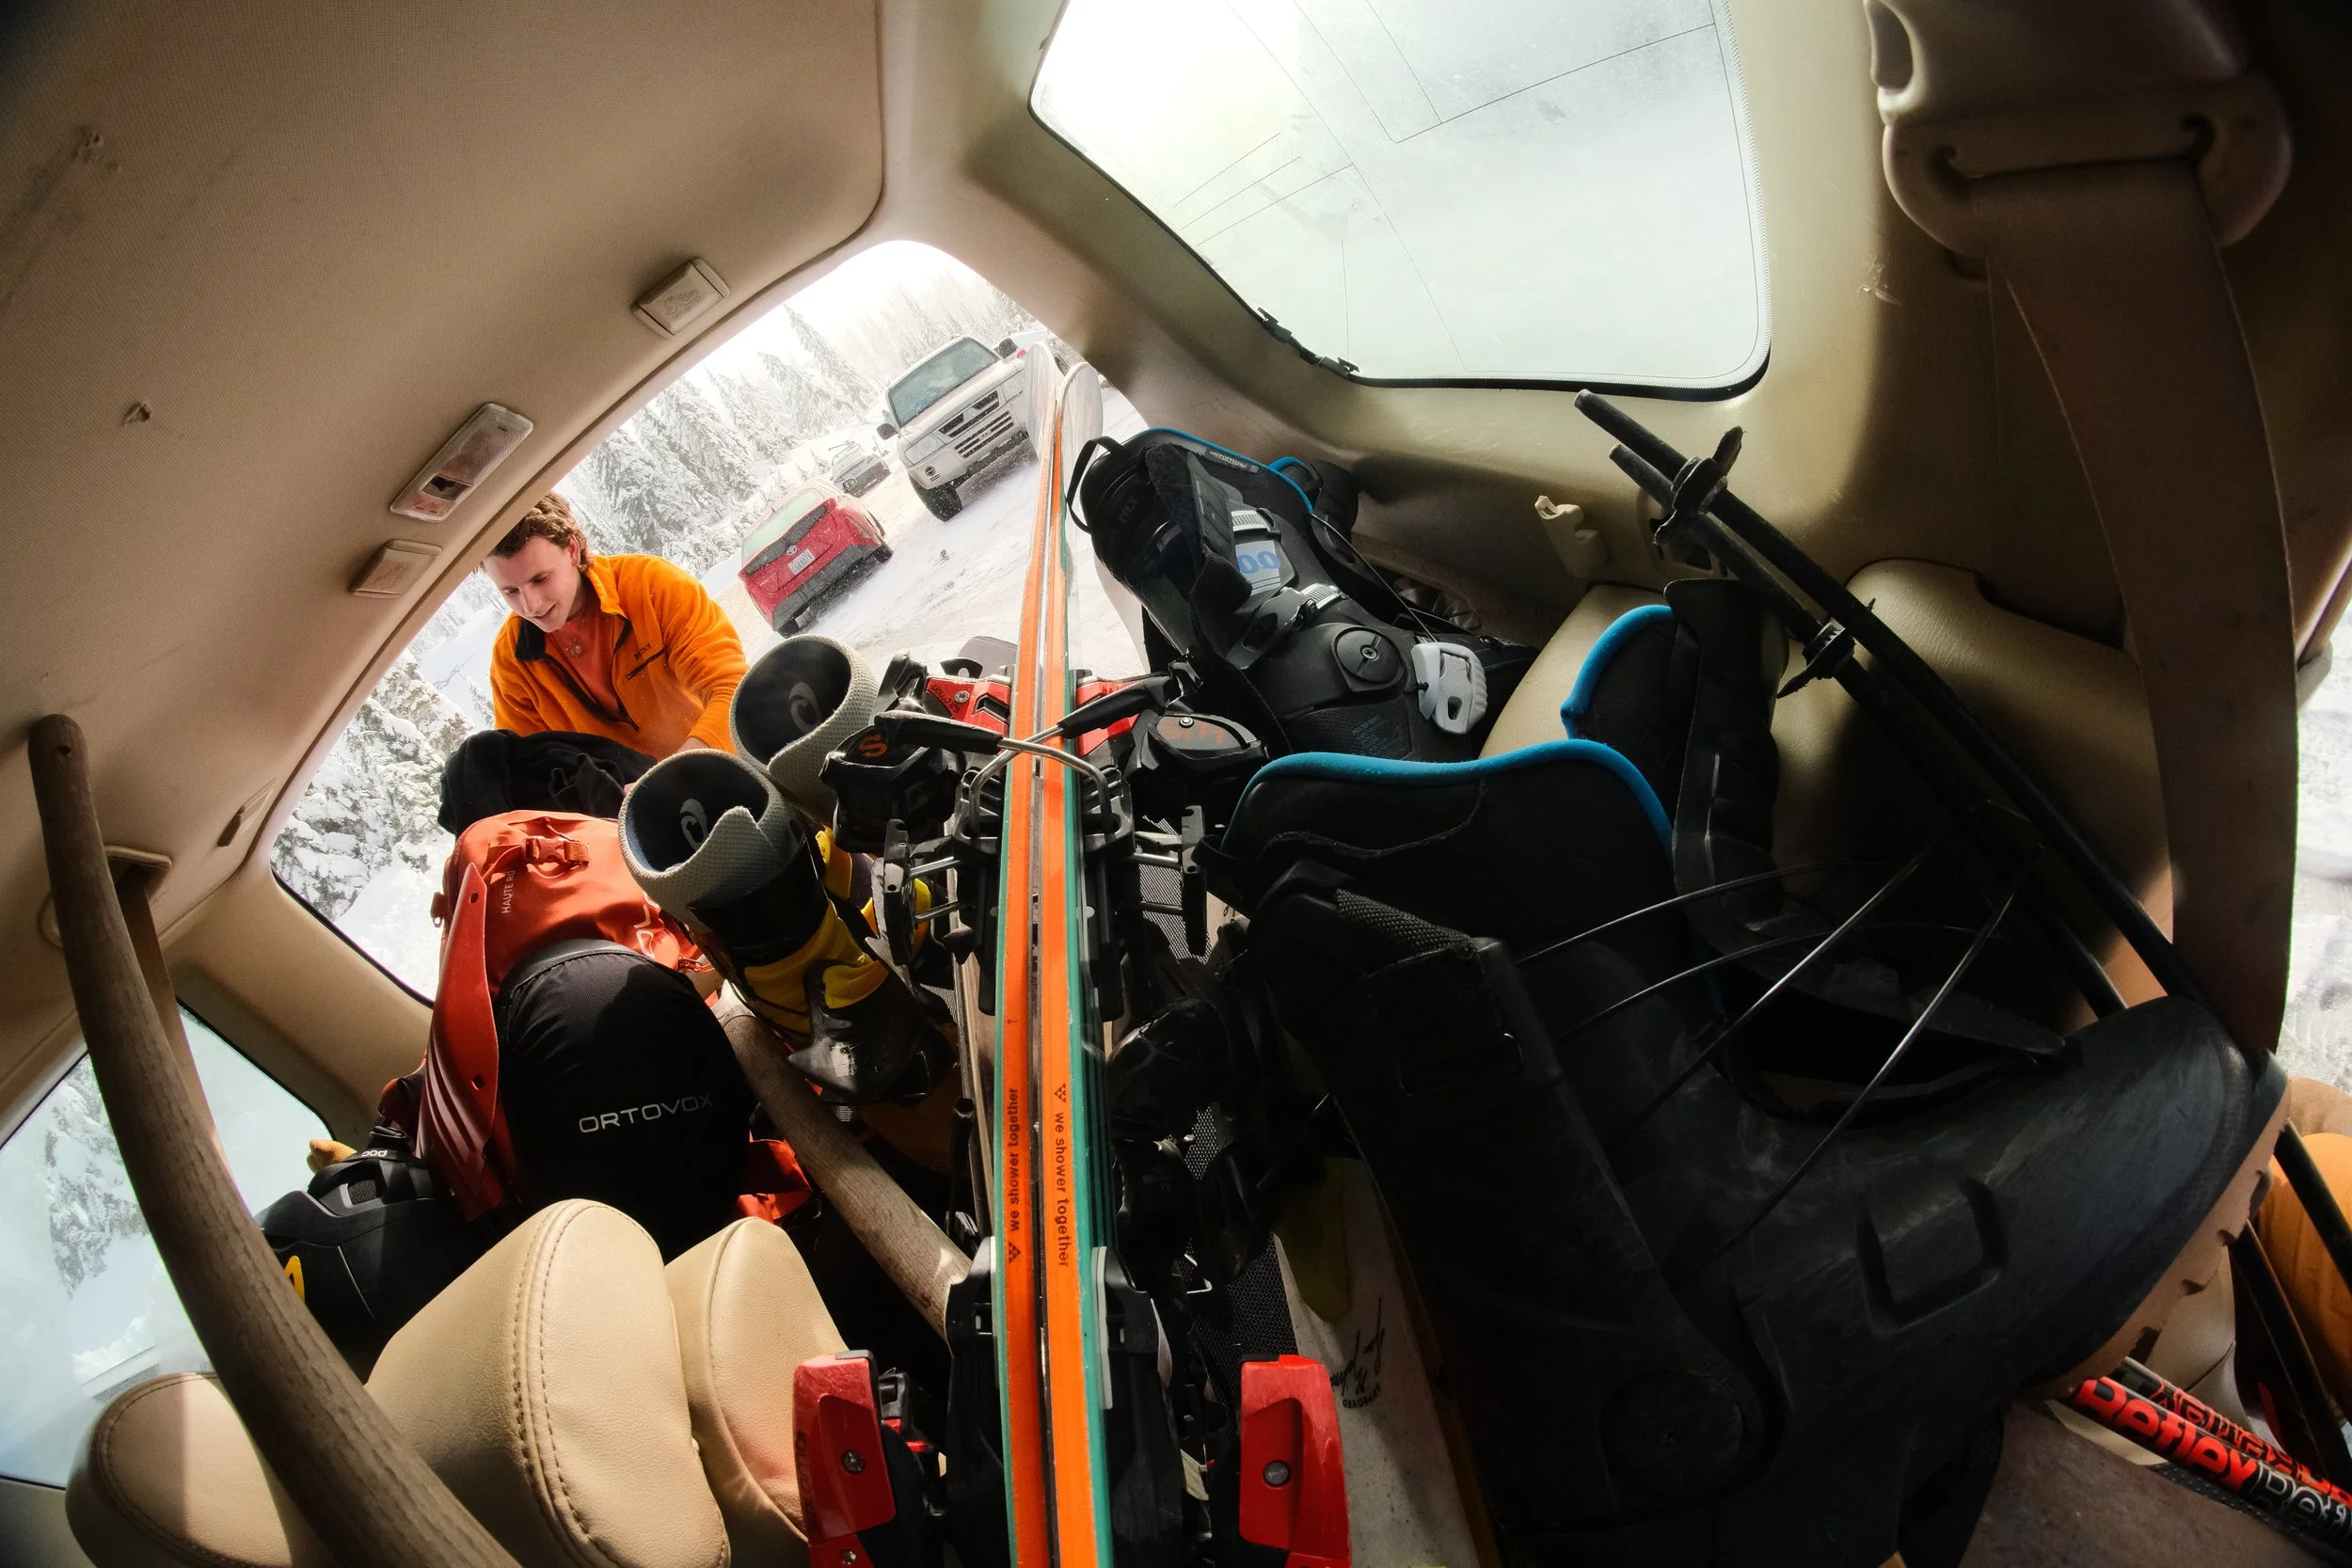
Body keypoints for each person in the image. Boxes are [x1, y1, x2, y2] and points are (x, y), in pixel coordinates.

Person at [485, 492, 747, 758]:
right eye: (510, 592)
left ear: (572, 550)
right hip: (627, 800)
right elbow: (531, 773)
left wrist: (678, 776)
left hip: (729, 767)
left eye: (540, 579)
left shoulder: (651, 585)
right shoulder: (511, 664)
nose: (531, 606)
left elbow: (731, 688)